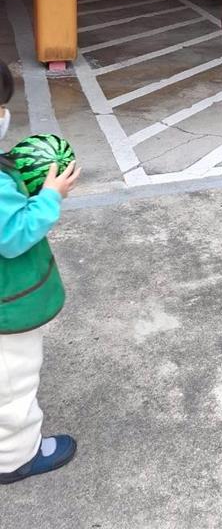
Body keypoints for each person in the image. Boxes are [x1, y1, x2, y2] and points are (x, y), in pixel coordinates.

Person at [0, 60, 82, 485]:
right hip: (7, 312)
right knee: (13, 384)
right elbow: (13, 235)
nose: (4, 116)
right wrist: (49, 195)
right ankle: (15, 456)